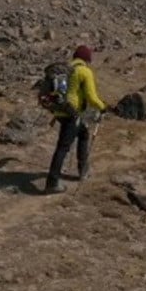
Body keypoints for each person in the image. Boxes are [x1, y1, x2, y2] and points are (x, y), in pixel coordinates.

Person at [44, 45, 107, 194]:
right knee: (63, 147)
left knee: (83, 134)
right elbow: (91, 97)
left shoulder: (66, 69)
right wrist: (102, 107)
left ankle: (82, 170)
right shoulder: (84, 71)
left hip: (60, 111)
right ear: (87, 58)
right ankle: (52, 182)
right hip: (73, 113)